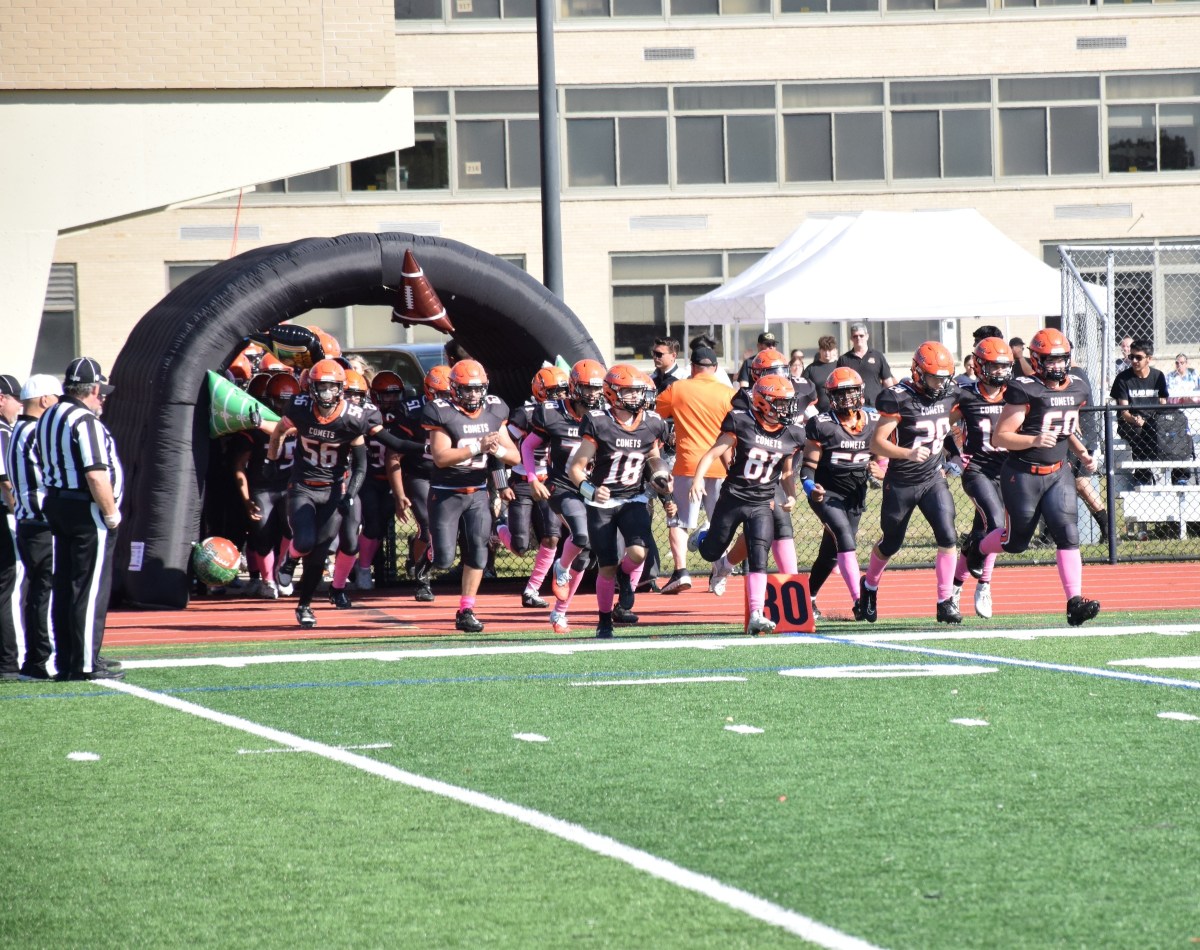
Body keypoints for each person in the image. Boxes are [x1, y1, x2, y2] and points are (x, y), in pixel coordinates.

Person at [965, 329, 1100, 627]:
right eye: (1050, 360)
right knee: (1015, 543)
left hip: (1058, 473)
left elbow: (1065, 425)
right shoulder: (1025, 389)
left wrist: (1080, 451)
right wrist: (1035, 440)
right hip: (1022, 474)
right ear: (1036, 360)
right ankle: (977, 548)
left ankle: (1074, 602)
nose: (1057, 366)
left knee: (1068, 533)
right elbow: (1001, 437)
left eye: (1061, 359)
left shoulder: (1077, 387)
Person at [690, 375, 805, 634]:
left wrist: (792, 495)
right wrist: (698, 480)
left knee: (759, 555)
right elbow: (713, 453)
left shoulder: (793, 433)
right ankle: (703, 537)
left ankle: (756, 613)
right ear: (764, 403)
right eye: (781, 403)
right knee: (710, 552)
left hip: (763, 502)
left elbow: (786, 472)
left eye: (788, 403)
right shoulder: (742, 422)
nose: (787, 409)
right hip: (734, 496)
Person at [860, 341, 961, 625]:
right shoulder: (898, 398)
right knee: (891, 543)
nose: (939, 383)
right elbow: (876, 442)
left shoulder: (950, 393)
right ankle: (869, 587)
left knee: (948, 535)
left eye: (944, 377)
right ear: (918, 372)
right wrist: (908, 453)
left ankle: (945, 601)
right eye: (934, 377)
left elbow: (951, 418)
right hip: (902, 481)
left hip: (932, 478)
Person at [568, 365, 672, 639]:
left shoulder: (651, 422)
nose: (636, 397)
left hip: (633, 498)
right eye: (629, 391)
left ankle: (625, 578)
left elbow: (653, 458)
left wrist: (662, 480)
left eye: (638, 391)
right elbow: (576, 468)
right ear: (612, 393)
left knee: (639, 553)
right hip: (602, 502)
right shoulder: (598, 421)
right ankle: (604, 619)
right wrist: (590, 490)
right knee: (607, 564)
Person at [36, 357, 124, 680]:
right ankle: (86, 662)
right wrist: (111, 512)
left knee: (66, 584)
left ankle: (69, 659)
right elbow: (96, 474)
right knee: (89, 587)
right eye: (102, 394)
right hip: (85, 509)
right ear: (93, 389)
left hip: (58, 504)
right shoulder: (85, 422)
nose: (103, 400)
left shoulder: (49, 417)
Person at [270, 359, 374, 628]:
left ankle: (304, 605)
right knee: (304, 541)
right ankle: (290, 558)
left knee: (319, 555)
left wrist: (350, 493)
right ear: (311, 388)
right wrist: (272, 461)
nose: (326, 393)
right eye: (321, 387)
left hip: (333, 491)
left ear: (340, 388)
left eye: (331, 387)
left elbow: (361, 464)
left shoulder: (353, 418)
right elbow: (279, 431)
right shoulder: (300, 408)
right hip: (303, 486)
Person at [422, 359, 520, 633]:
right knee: (443, 560)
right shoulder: (441, 411)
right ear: (454, 389)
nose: (474, 396)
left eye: (478, 389)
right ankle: (425, 556)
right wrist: (479, 446)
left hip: (477, 491)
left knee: (478, 552)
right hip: (445, 493)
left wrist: (495, 450)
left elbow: (513, 455)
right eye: (468, 390)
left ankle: (466, 609)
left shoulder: (494, 410)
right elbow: (441, 458)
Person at [799, 367, 880, 621]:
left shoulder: (875, 421)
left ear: (860, 393)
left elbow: (884, 454)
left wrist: (881, 467)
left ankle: (808, 595)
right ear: (831, 396)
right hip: (828, 493)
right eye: (840, 393)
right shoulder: (822, 424)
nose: (845, 398)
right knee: (845, 539)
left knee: (831, 553)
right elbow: (807, 469)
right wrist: (812, 489)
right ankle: (859, 600)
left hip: (855, 494)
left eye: (850, 392)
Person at [654, 345, 736, 594]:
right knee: (719, 522)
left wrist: (670, 432)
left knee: (678, 520)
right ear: (715, 368)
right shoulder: (727, 393)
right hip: (720, 465)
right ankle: (719, 570)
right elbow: (734, 432)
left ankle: (681, 571)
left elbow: (656, 411)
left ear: (692, 367)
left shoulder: (678, 388)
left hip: (688, 464)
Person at [948, 338, 1013, 619]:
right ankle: (983, 583)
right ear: (980, 366)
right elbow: (941, 425)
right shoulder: (965, 395)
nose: (999, 372)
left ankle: (958, 588)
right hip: (978, 470)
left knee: (985, 535)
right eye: (994, 366)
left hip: (1008, 472)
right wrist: (954, 453)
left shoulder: (1016, 394)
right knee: (997, 525)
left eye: (1003, 366)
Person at [498, 366, 568, 609]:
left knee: (551, 538)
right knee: (520, 546)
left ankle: (532, 589)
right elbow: (500, 447)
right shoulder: (524, 414)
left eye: (563, 392)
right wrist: (500, 484)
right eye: (554, 392)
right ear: (540, 392)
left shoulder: (566, 412)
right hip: (522, 480)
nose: (560, 397)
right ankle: (498, 526)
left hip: (549, 481)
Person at [5, 375, 61, 679]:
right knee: (44, 590)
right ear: (44, 399)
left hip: (27, 520)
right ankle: (42, 657)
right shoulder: (36, 432)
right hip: (41, 521)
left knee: (35, 589)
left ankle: (36, 655)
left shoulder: (18, 430)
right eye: (56, 398)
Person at [1111, 338, 1169, 482]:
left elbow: (1163, 403)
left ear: (1149, 359)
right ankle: (1143, 473)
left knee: (1172, 428)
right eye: (1132, 357)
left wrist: (1155, 421)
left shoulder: (1158, 376)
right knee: (1139, 432)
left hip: (1153, 421)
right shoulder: (1123, 379)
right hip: (1130, 422)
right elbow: (1124, 412)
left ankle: (1179, 474)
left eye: (1139, 357)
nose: (1134, 360)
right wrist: (1136, 419)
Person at [0, 374, 23, 680]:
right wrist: (21, 512)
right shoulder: (3, 432)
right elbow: (6, 480)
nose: (20, 405)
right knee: (9, 587)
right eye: (16, 398)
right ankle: (8, 661)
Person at [837, 323, 894, 407]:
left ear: (867, 336)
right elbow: (839, 385)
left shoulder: (878, 356)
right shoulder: (844, 359)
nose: (858, 338)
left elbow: (888, 381)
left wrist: (892, 400)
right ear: (851, 338)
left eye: (861, 335)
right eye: (855, 336)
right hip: (853, 407)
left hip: (875, 405)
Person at [802, 335, 840, 414]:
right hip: (817, 413)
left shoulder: (840, 366)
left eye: (829, 350)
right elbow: (803, 391)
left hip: (840, 412)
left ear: (835, 350)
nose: (827, 353)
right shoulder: (811, 368)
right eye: (824, 350)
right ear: (819, 350)